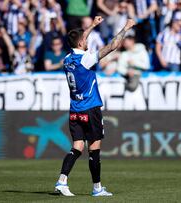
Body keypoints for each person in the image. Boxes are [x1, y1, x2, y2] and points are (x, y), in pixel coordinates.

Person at [54, 16, 135, 197]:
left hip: (75, 109)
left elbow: (80, 39)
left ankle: (62, 181)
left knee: (76, 148)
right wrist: (126, 28)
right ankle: (97, 188)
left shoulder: (67, 60)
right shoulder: (86, 60)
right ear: (82, 42)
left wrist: (92, 25)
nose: (87, 41)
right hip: (90, 108)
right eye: (86, 39)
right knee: (94, 149)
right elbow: (113, 46)